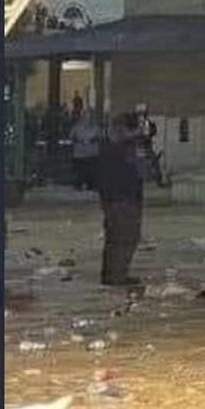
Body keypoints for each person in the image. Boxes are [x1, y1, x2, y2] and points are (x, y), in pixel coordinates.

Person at [95, 113, 145, 286]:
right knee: (124, 238)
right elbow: (142, 171)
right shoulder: (128, 149)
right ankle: (117, 275)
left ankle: (110, 274)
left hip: (111, 199)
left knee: (113, 238)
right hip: (126, 199)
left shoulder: (106, 147)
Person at [69, 109, 100, 191]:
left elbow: (99, 137)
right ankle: (78, 184)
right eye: (86, 116)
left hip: (92, 152)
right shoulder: (76, 127)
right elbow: (72, 137)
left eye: (90, 117)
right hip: (79, 153)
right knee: (80, 170)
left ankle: (91, 184)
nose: (88, 119)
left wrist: (91, 140)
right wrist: (80, 141)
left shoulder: (95, 127)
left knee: (91, 170)